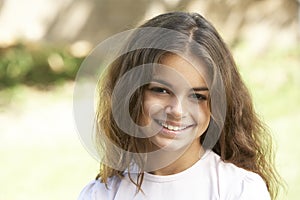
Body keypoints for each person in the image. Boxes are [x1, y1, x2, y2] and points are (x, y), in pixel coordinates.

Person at [77, 12, 281, 200]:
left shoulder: (239, 189)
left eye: (197, 96)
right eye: (161, 90)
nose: (178, 110)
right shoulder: (101, 193)